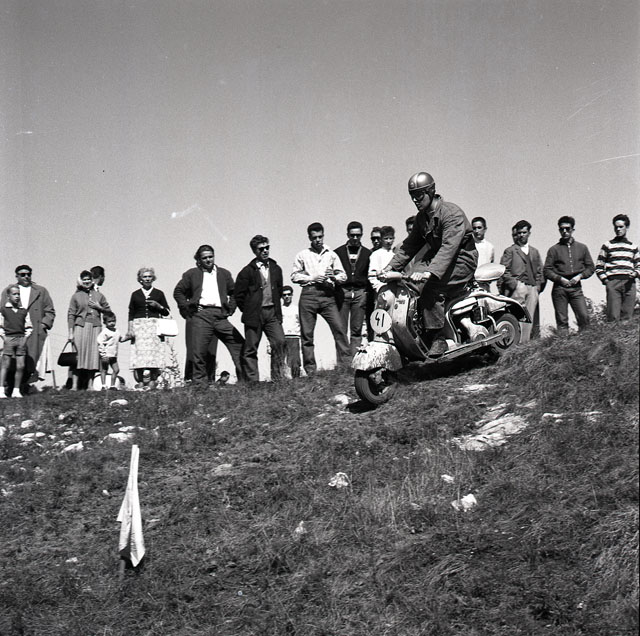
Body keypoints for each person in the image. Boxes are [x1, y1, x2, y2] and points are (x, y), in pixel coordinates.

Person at [381, 172, 478, 357]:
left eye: (419, 195)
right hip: (437, 258)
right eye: (412, 196)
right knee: (407, 285)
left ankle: (437, 338)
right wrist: (389, 268)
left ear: (431, 191)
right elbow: (409, 246)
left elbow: (449, 248)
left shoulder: (451, 213)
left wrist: (429, 273)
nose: (415, 200)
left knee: (430, 287)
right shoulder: (421, 218)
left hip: (462, 259)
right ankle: (416, 331)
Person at [174, 244, 244, 387]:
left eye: (210, 257)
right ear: (199, 260)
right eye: (204, 258)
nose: (208, 260)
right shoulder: (192, 274)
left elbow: (234, 292)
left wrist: (231, 308)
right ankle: (200, 384)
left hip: (220, 315)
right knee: (199, 351)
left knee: (238, 343)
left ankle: (245, 380)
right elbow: (178, 291)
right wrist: (188, 306)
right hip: (201, 315)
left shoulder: (224, 274)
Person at [291, 222, 350, 375]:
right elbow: (294, 276)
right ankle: (311, 370)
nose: (318, 240)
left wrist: (334, 277)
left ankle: (347, 365)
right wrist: (312, 278)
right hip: (309, 294)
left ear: (323, 235)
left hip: (327, 295)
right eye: (314, 237)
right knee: (307, 334)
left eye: (320, 236)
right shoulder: (302, 254)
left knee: (339, 329)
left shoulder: (331, 254)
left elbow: (343, 275)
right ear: (309, 238)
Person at [235, 235, 286, 382]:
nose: (265, 251)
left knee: (280, 342)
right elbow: (239, 295)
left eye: (267, 247)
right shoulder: (247, 271)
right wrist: (249, 310)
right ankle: (253, 382)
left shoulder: (276, 268)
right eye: (261, 249)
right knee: (251, 348)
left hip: (272, 313)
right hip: (254, 315)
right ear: (254, 251)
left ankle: (277, 378)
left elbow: (279, 290)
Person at [0, 265, 55, 392]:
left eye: (28, 274)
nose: (26, 277)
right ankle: (9, 387)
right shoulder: (8, 290)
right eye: (22, 274)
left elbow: (50, 311)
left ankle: (23, 386)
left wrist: (44, 325)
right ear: (17, 276)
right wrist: (3, 332)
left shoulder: (41, 291)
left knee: (31, 360)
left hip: (34, 330)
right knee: (11, 360)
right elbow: (2, 311)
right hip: (13, 331)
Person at [543, 216, 595, 332]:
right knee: (562, 321)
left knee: (584, 317)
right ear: (559, 230)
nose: (565, 231)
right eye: (562, 229)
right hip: (559, 289)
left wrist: (580, 276)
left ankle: (585, 340)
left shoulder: (582, 248)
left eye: (567, 228)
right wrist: (559, 279)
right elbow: (547, 270)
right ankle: (563, 342)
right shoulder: (553, 249)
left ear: (573, 230)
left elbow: (591, 267)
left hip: (576, 288)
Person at [500, 220, 545, 343]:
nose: (521, 235)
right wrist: (514, 284)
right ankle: (516, 344)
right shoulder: (510, 250)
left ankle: (526, 345)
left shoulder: (534, 251)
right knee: (518, 317)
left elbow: (540, 270)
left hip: (532, 288)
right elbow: (503, 269)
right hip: (518, 288)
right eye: (519, 233)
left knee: (530, 318)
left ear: (529, 233)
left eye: (524, 232)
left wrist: (537, 286)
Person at [67, 270, 112, 390]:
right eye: (84, 279)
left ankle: (90, 385)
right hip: (80, 326)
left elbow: (109, 312)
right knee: (78, 355)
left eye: (88, 279)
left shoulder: (99, 296)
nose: (87, 281)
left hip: (95, 327)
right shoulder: (76, 296)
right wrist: (70, 332)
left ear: (92, 281)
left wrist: (99, 307)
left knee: (93, 355)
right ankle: (74, 385)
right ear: (81, 281)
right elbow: (71, 314)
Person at [128, 267, 171, 389]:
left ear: (153, 278)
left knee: (154, 354)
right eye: (144, 277)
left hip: (154, 325)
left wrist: (158, 306)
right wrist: (130, 329)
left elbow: (167, 312)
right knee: (139, 354)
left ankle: (153, 380)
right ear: (140, 279)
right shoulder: (135, 294)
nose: (147, 279)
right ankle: (141, 381)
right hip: (139, 326)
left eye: (149, 276)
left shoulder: (159, 293)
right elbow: (131, 313)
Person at [335, 221, 371, 356]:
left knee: (356, 330)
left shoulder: (367, 253)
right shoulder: (338, 253)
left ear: (362, 235)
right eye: (352, 235)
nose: (355, 238)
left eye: (358, 235)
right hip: (343, 292)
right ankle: (343, 362)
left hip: (360, 292)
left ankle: (355, 360)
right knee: (341, 329)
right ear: (347, 235)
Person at [595, 214, 640, 322]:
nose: (618, 229)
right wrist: (607, 281)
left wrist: (635, 273)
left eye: (621, 227)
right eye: (616, 227)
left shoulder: (633, 246)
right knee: (613, 317)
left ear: (627, 227)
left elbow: (639, 265)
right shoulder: (607, 245)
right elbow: (599, 266)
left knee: (627, 318)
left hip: (629, 283)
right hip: (613, 282)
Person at [0, 285, 33, 398]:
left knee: (20, 366)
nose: (17, 296)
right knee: (5, 364)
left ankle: (16, 390)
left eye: (18, 294)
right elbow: (0, 325)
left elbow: (29, 326)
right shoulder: (4, 310)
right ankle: (1, 390)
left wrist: (25, 338)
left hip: (21, 339)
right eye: (14, 294)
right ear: (8, 296)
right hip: (9, 338)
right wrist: (4, 338)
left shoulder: (23, 311)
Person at [97, 312, 128, 390]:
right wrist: (103, 355)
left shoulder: (116, 331)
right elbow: (100, 343)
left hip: (113, 355)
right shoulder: (105, 332)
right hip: (106, 355)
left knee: (116, 370)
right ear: (105, 322)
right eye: (109, 321)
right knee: (104, 370)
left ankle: (112, 386)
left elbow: (121, 339)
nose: (112, 323)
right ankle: (103, 386)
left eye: (113, 321)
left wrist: (128, 337)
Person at [281, 285, 302, 378]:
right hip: (282, 336)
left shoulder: (296, 309)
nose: (287, 297)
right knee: (281, 361)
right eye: (284, 295)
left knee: (295, 361)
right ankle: (281, 380)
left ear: (292, 295)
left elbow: (301, 323)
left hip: (294, 336)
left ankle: (296, 379)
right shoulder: (279, 310)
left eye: (289, 294)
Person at [369, 226, 396, 292]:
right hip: (382, 289)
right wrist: (380, 288)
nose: (388, 241)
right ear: (381, 239)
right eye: (386, 238)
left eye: (390, 238)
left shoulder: (395, 254)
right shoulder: (375, 254)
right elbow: (372, 275)